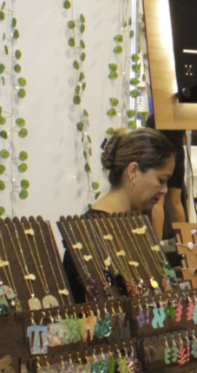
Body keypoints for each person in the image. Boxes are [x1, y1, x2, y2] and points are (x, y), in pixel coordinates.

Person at [65, 127, 177, 301]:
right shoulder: (90, 233)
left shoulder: (135, 224)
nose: (164, 190)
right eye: (161, 180)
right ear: (133, 171)